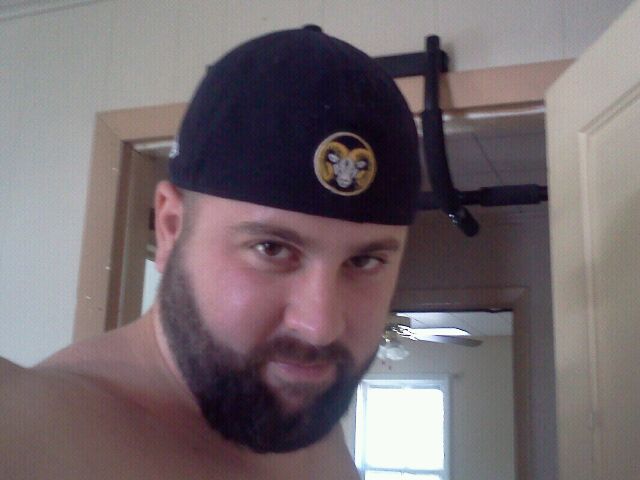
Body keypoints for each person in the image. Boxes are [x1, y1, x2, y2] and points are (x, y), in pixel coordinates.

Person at [0, 26, 421, 479]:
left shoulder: (306, 423)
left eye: (364, 261)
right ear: (170, 227)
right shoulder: (30, 427)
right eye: (271, 248)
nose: (319, 329)